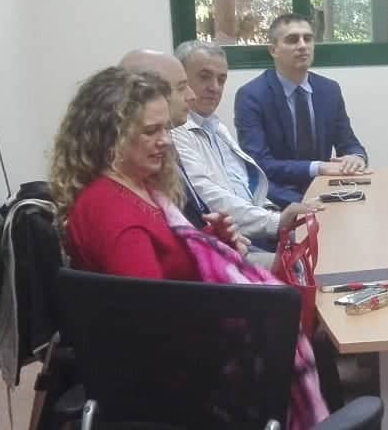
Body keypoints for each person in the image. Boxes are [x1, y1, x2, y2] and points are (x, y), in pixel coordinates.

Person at [49, 67, 329, 428]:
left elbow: (166, 274)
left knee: (299, 334)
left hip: (170, 361)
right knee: (296, 339)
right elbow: (155, 317)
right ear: (110, 136)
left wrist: (213, 246)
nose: (165, 141)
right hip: (173, 380)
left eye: (166, 128)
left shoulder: (136, 188)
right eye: (150, 131)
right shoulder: (112, 213)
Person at [171, 41, 321, 251]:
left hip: (258, 228)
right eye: (204, 77)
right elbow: (208, 198)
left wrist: (277, 215)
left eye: (221, 79)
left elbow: (246, 187)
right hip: (232, 243)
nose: (215, 87)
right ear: (181, 81)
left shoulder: (215, 126)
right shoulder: (175, 131)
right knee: (312, 264)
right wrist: (276, 221)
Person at [235, 13, 368, 206]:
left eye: (308, 38)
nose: (303, 45)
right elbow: (259, 164)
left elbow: (348, 143)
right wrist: (318, 167)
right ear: (273, 50)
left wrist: (356, 157)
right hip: (279, 198)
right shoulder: (251, 96)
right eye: (292, 40)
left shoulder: (329, 90)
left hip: (326, 192)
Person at [119, 49, 222, 231]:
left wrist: (217, 238)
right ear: (143, 93)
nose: (192, 96)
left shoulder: (165, 149)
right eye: (181, 88)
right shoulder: (130, 180)